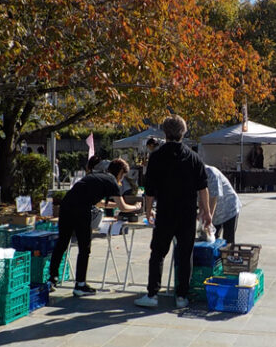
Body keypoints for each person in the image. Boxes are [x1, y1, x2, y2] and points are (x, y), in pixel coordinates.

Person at [135, 115, 212, 309]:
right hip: (187, 213)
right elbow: (203, 188)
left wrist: (148, 210)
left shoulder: (156, 157)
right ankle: (182, 297)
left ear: (164, 132)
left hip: (165, 212)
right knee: (185, 255)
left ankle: (152, 294)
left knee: (158, 253)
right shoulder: (193, 157)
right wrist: (207, 213)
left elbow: (149, 189)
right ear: (184, 132)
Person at [49, 158, 140, 296]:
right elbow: (123, 206)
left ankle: (52, 280)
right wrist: (136, 207)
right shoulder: (112, 182)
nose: (122, 178)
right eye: (123, 175)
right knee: (84, 247)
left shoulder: (97, 176)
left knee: (62, 243)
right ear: (121, 172)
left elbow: (98, 203)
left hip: (66, 206)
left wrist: (114, 205)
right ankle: (80, 285)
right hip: (81, 210)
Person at [205, 165, 241, 246]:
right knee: (211, 238)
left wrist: (209, 215)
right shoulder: (193, 176)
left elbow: (214, 197)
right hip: (216, 212)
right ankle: (215, 257)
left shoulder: (211, 173)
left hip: (229, 208)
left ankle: (228, 257)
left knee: (228, 240)